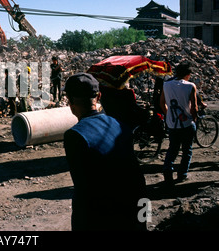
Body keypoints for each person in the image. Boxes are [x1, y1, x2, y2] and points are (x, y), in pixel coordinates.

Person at [63, 72, 147, 231]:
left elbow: (83, 190)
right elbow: (137, 177)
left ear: (70, 102)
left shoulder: (75, 136)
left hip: (103, 218)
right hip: (135, 207)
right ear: (99, 96)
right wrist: (144, 221)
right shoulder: (120, 125)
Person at [160, 61, 198, 185]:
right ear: (187, 74)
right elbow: (194, 108)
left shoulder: (166, 84)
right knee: (187, 150)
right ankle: (182, 174)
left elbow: (162, 103)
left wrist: (169, 115)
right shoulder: (190, 86)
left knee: (172, 149)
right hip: (187, 123)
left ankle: (167, 173)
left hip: (172, 124)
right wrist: (194, 119)